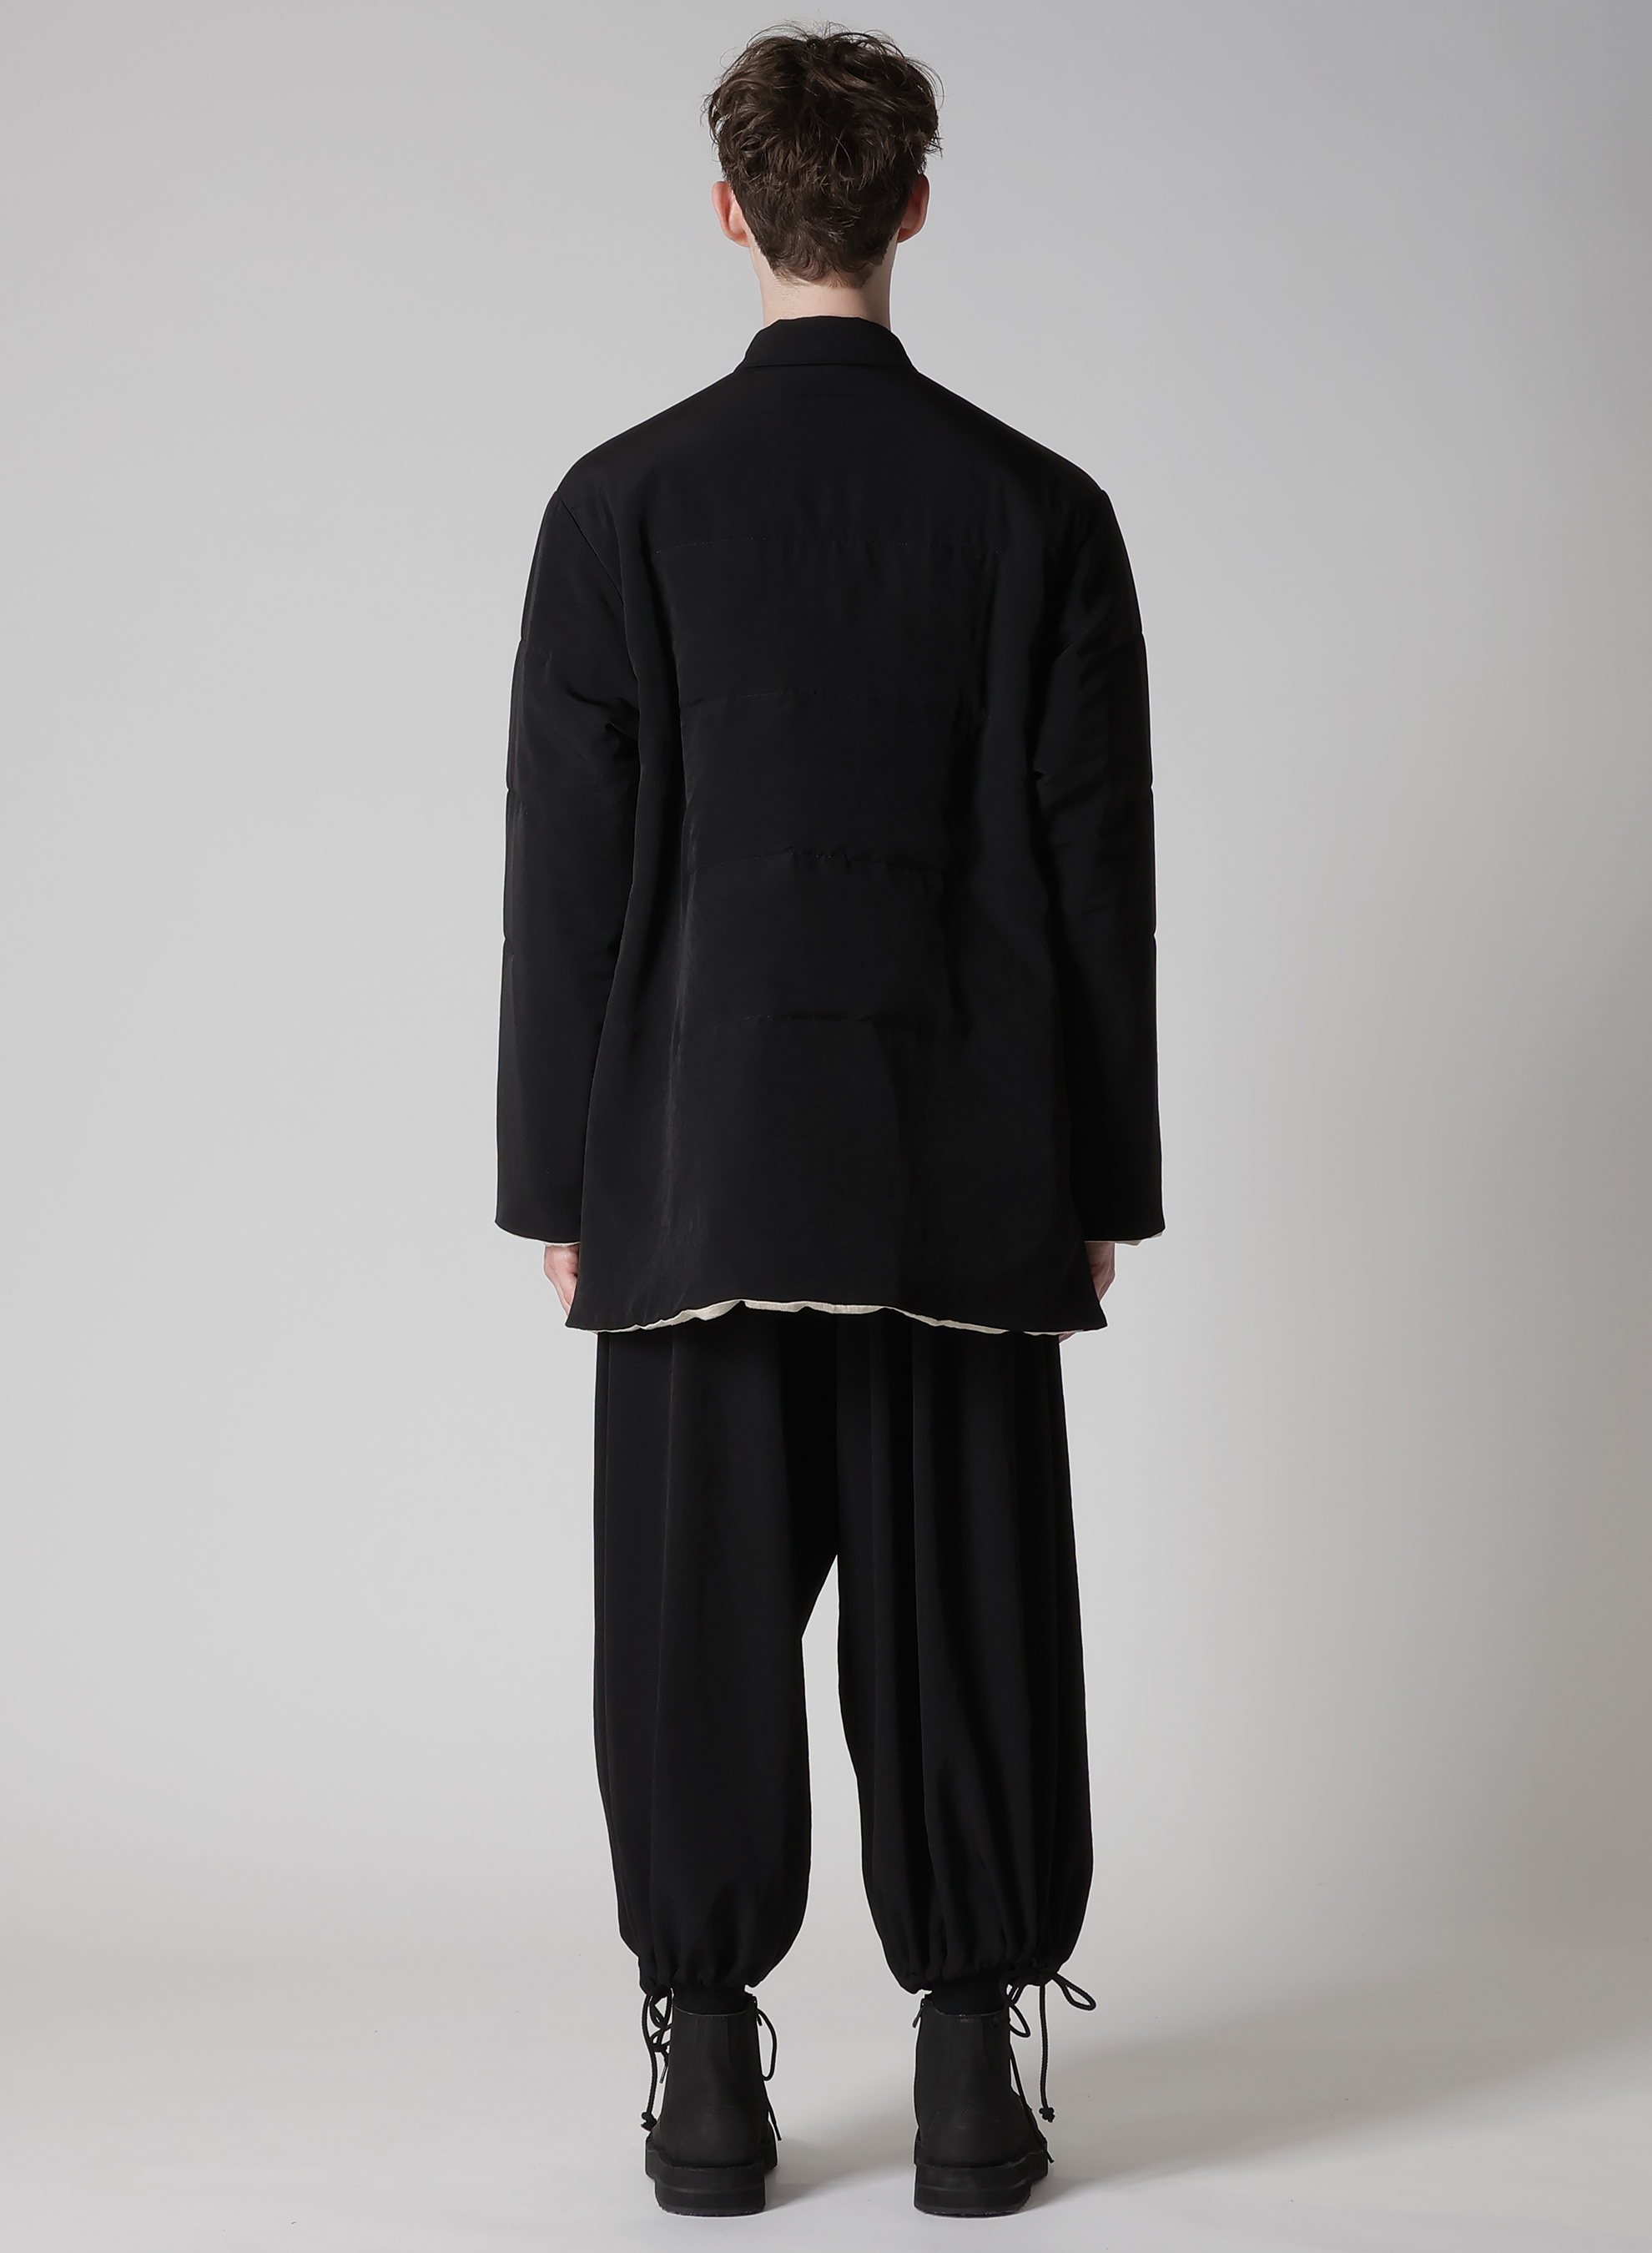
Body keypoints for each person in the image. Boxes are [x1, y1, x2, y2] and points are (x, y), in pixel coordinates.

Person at [496, 25, 1162, 2220]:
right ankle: (967, 2075)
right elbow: (1093, 868)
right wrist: (1099, 1176)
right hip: (960, 1156)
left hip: (695, 1160)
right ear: (911, 209)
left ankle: (707, 2079)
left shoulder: (618, 506)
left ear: (731, 211)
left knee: (692, 1621)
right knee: (966, 1605)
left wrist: (560, 1178)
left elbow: (568, 873)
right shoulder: (1039, 513)